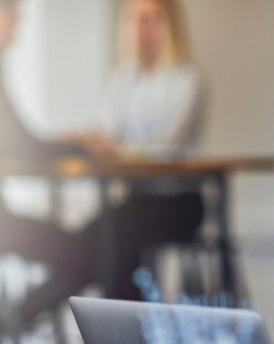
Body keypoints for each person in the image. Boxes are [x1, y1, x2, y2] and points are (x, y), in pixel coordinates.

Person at [0, 0, 98, 344]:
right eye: (16, 14)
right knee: (90, 254)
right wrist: (83, 145)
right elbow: (21, 144)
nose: (19, 25)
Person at [70, 0, 204, 301]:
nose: (142, 29)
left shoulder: (188, 81)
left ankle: (128, 334)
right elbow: (102, 132)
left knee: (111, 239)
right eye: (135, 20)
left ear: (169, 25)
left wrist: (113, 148)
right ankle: (8, 321)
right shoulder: (120, 80)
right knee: (82, 245)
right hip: (135, 200)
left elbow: (169, 145)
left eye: (152, 20)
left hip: (178, 202)